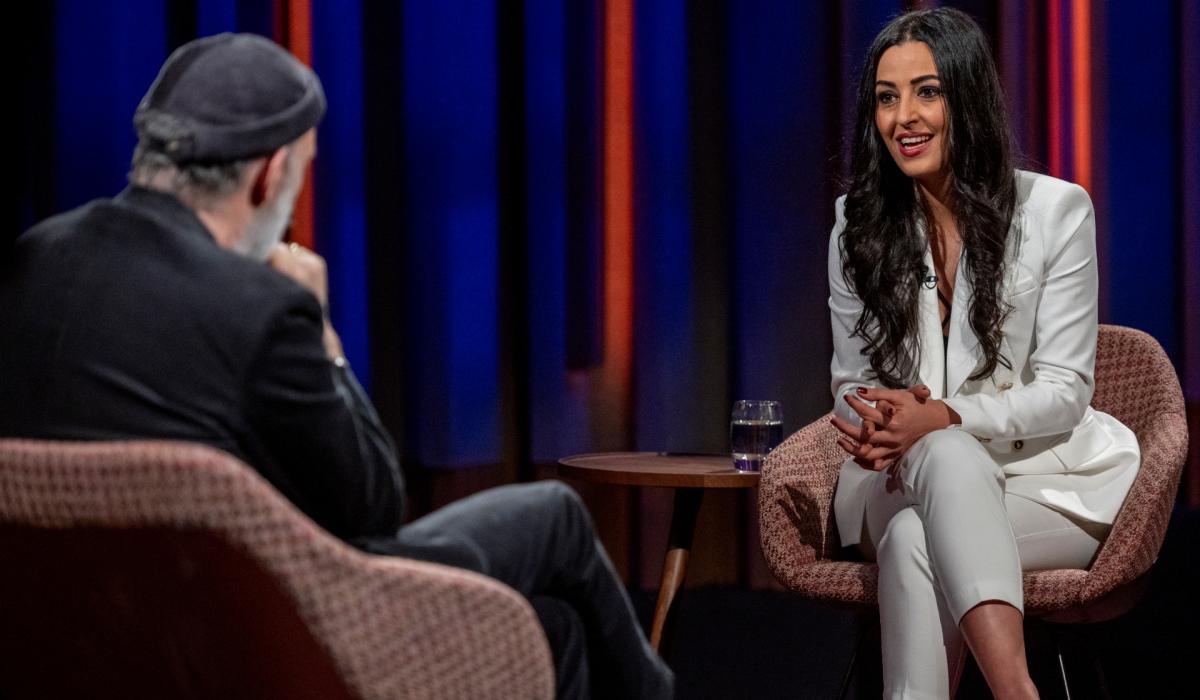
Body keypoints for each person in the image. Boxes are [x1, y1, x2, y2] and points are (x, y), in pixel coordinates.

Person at [0, 33, 671, 700]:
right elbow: (371, 506)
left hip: (94, 632)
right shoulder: (258, 307)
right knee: (556, 514)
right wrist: (323, 334)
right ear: (269, 175)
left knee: (556, 631)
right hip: (271, 625)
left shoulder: (32, 260)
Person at [825, 8, 1139, 699]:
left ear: (967, 97)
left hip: (1040, 483)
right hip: (900, 479)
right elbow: (851, 382)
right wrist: (882, 420)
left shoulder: (1055, 211)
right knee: (937, 462)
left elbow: (1064, 391)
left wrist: (942, 418)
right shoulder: (857, 226)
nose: (904, 117)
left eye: (927, 92)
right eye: (886, 97)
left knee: (916, 537)